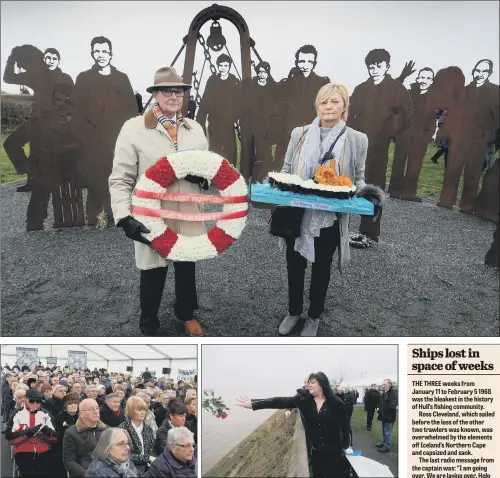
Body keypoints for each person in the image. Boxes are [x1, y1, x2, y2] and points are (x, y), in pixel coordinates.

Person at [109, 66, 209, 337]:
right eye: (167, 91)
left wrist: (202, 178)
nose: (174, 96)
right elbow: (120, 178)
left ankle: (185, 314)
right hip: (153, 214)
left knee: (187, 265)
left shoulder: (196, 129)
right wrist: (123, 216)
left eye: (179, 91)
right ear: (155, 94)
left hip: (188, 212)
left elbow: (208, 169)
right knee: (153, 271)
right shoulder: (134, 129)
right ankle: (149, 323)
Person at [277, 83, 369, 337]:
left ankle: (314, 316)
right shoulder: (300, 133)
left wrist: (365, 196)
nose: (328, 107)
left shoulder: (357, 139)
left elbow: (358, 178)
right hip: (297, 213)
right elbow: (286, 168)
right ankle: (294, 311)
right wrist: (277, 189)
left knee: (321, 269)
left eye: (335, 102)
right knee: (294, 266)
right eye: (323, 102)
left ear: (344, 106)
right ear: (317, 106)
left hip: (329, 217)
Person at [348, 48, 412, 242]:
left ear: (387, 66)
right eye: (371, 66)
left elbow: (407, 115)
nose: (374, 69)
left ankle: (369, 231)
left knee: (373, 186)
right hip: (358, 145)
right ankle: (341, 227)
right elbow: (350, 114)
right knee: (350, 184)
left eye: (379, 65)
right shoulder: (361, 89)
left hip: (379, 147)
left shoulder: (396, 89)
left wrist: (388, 131)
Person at [236, 372, 351, 478]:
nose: (308, 385)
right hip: (317, 454)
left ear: (322, 384)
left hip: (335, 454)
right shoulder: (304, 400)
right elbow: (279, 401)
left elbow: (345, 426)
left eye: (312, 382)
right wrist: (254, 403)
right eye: (308, 383)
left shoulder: (335, 402)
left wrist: (346, 444)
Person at [75, 35, 137, 227]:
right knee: (96, 177)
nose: (101, 55)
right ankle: (95, 216)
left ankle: (119, 214)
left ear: (111, 53)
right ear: (92, 53)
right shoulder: (84, 78)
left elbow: (132, 110)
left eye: (104, 51)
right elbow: (78, 110)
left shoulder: (121, 78)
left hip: (118, 137)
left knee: (119, 174)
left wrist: (132, 135)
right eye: (97, 51)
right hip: (94, 138)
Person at [274, 45, 330, 165]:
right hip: (289, 136)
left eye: (309, 62)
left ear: (314, 63)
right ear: (296, 62)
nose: (305, 66)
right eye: (301, 61)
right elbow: (279, 111)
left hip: (313, 135)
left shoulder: (323, 84)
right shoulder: (286, 84)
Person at [196, 53, 240, 166]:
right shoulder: (212, 81)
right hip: (214, 123)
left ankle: (231, 176)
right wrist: (200, 122)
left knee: (230, 152)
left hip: (228, 123)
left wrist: (238, 117)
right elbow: (205, 101)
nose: (223, 68)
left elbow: (239, 101)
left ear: (229, 66)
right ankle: (214, 177)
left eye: (225, 65)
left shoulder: (234, 81)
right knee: (215, 151)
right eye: (220, 65)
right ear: (217, 66)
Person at [5, 389, 57, 477]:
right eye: (32, 401)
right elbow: (9, 436)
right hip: (23, 449)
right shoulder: (17, 413)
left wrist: (47, 431)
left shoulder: (46, 414)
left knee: (50, 468)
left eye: (38, 401)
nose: (35, 403)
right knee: (29, 470)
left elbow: (55, 437)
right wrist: (25, 433)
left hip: (44, 448)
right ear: (26, 400)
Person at [63, 398, 108, 477]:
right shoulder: (71, 433)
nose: (96, 411)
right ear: (81, 413)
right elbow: (69, 461)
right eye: (91, 409)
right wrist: (87, 475)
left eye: (97, 408)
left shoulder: (107, 430)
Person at [118, 396, 156, 475]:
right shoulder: (122, 429)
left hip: (148, 470)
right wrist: (147, 458)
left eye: (144, 410)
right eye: (139, 410)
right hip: (129, 470)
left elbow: (152, 450)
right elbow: (124, 455)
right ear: (131, 411)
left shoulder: (148, 429)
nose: (143, 412)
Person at [377, 379, 398, 453]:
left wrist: (384, 409)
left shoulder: (393, 393)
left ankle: (387, 447)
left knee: (387, 432)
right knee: (384, 431)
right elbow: (382, 403)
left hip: (389, 416)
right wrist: (379, 410)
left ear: (389, 384)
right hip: (384, 416)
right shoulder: (384, 392)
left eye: (385, 384)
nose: (383, 386)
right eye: (383, 384)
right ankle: (384, 443)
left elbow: (393, 405)